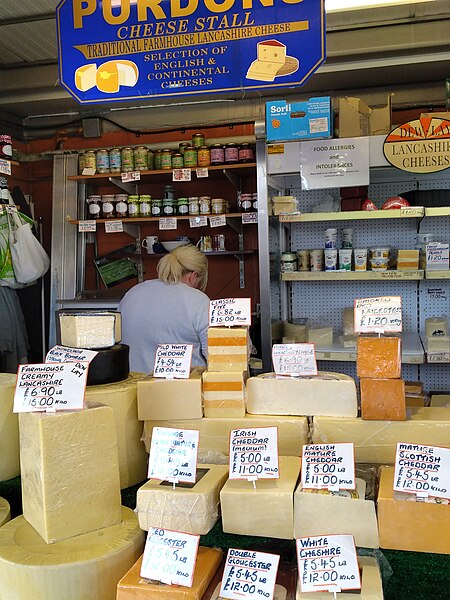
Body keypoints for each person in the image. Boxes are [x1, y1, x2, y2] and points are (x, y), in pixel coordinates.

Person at [118, 244, 209, 373]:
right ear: (193, 276)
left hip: (131, 387)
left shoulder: (133, 292)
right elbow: (216, 354)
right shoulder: (198, 300)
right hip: (182, 389)